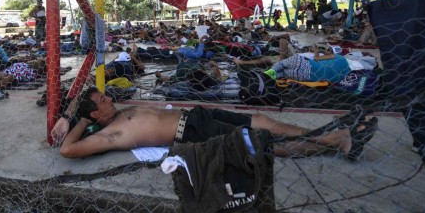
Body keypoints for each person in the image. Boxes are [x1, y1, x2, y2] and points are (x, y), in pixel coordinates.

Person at [54, 87, 378, 162]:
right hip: (194, 132)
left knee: (263, 120)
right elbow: (68, 150)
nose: (109, 98)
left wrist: (67, 114)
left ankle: (335, 137)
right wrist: (77, 120)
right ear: (94, 115)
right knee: (266, 143)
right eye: (103, 101)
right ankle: (339, 141)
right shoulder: (110, 133)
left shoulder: (117, 112)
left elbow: (78, 96)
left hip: (196, 117)